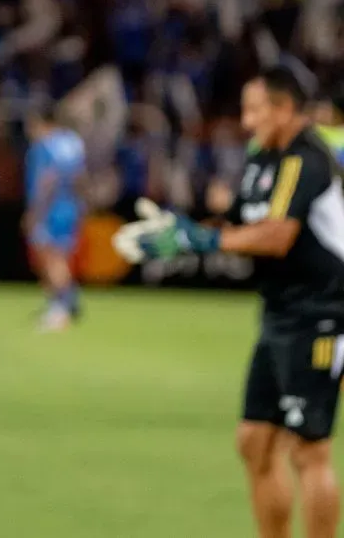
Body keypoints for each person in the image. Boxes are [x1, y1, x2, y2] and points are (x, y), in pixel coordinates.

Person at [121, 65, 344, 538]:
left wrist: (201, 241)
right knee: (255, 441)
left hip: (324, 313)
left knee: (308, 449)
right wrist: (180, 230)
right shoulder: (264, 154)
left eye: (255, 109)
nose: (246, 121)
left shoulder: (307, 159)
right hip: (281, 310)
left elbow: (278, 236)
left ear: (285, 109)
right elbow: (236, 225)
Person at [24, 106, 86, 331]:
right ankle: (64, 303)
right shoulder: (73, 142)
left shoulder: (43, 145)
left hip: (50, 208)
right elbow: (80, 178)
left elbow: (46, 181)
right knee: (60, 258)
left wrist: (35, 212)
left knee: (51, 260)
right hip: (70, 206)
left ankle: (61, 308)